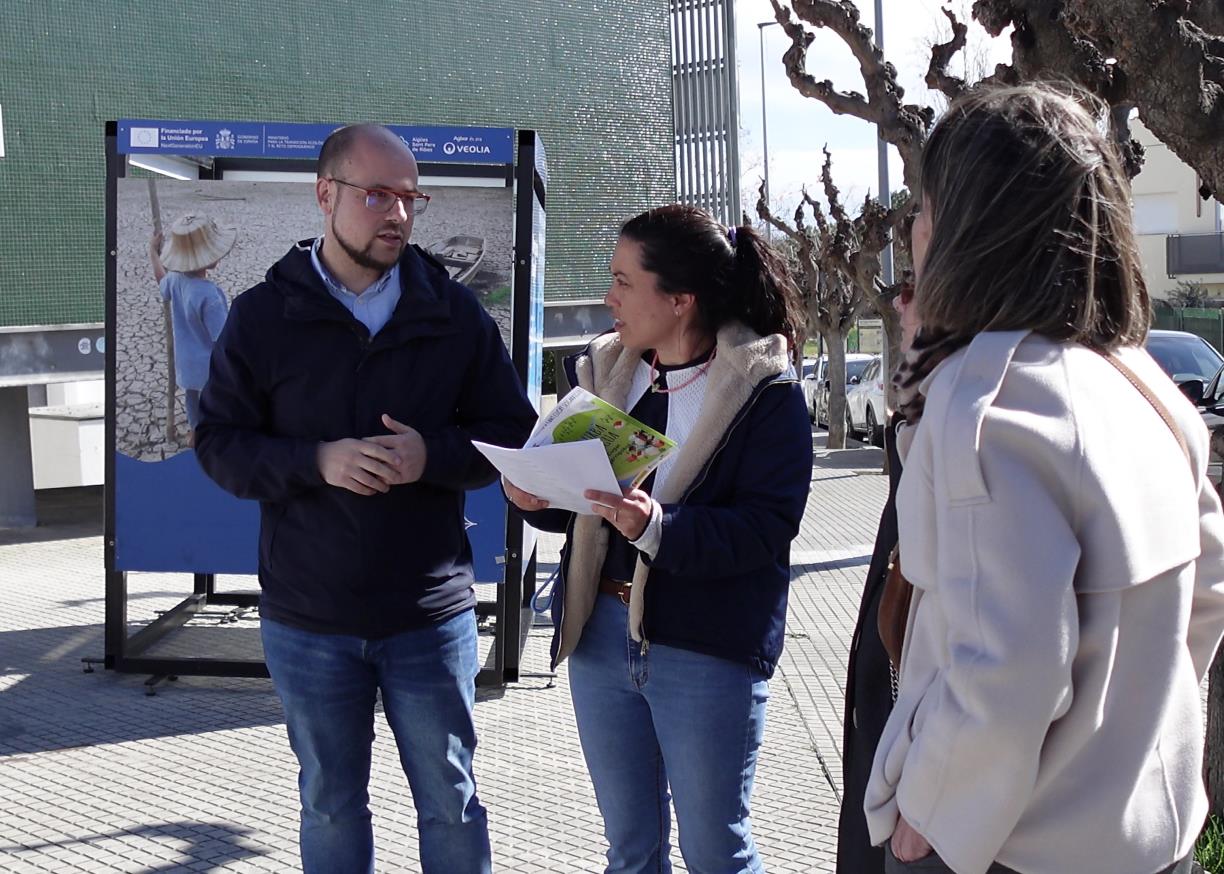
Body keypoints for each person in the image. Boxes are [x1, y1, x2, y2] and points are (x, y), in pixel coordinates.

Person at [863, 83, 1224, 874]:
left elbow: (1008, 666)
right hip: (1155, 837)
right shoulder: (1146, 383)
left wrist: (930, 815)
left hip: (1006, 847)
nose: (916, 230)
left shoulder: (987, 398)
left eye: (925, 206)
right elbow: (1203, 600)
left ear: (968, 226)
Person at [194, 124, 536, 874]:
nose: (399, 215)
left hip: (428, 616)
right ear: (325, 195)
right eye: (378, 194)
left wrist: (429, 456)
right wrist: (317, 460)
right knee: (329, 803)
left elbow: (512, 431)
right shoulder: (262, 317)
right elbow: (219, 443)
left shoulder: (453, 314)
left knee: (451, 800)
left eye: (410, 198)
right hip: (308, 619)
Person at [505, 204, 812, 873]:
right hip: (600, 640)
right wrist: (536, 496)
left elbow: (767, 527)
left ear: (679, 300)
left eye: (622, 281)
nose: (608, 298)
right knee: (631, 852)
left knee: (715, 852)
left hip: (705, 648)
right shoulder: (604, 372)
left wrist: (657, 527)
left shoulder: (765, 390)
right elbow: (582, 505)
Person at [837, 272, 919, 873]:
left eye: (919, 282)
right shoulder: (920, 425)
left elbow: (1019, 659)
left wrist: (930, 806)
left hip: (937, 812)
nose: (900, 301)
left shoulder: (988, 425)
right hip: (897, 773)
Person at [148, 213, 235, 432]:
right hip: (209, 369)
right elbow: (221, 338)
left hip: (186, 363)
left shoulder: (176, 281)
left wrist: (152, 252)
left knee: (192, 399)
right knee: (216, 404)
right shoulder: (210, 296)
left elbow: (162, 281)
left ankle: (195, 431)